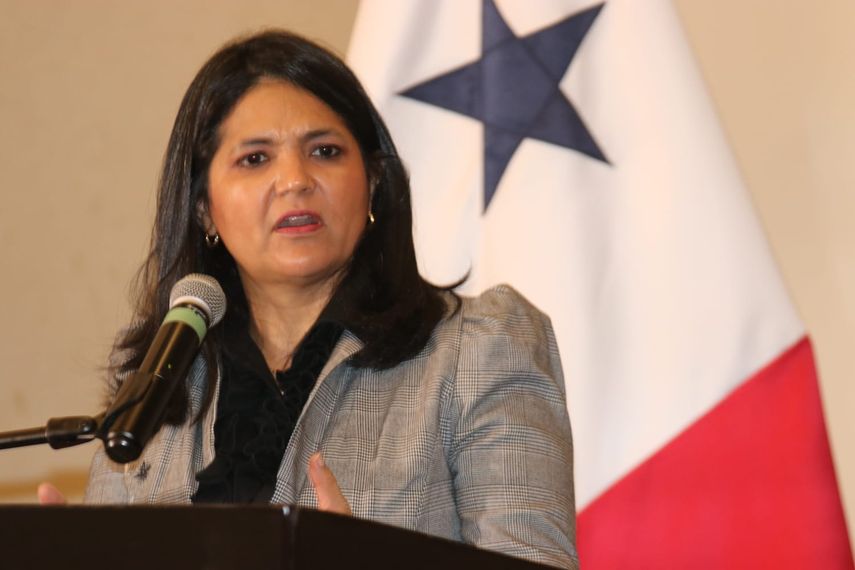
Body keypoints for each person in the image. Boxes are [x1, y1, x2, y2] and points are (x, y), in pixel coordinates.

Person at [41, 30, 577, 569]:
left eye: (325, 151)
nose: (295, 180)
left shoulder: (477, 350)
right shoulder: (160, 383)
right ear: (204, 207)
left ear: (373, 182)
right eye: (255, 159)